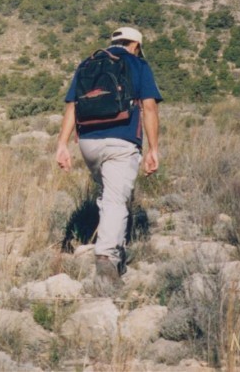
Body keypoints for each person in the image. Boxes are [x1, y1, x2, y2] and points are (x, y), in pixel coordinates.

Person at [55, 26, 162, 289]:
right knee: (116, 200)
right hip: (121, 140)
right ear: (136, 45)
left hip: (88, 143)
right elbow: (149, 107)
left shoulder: (87, 63)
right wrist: (153, 148)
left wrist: (62, 145)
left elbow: (72, 106)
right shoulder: (137, 64)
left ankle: (109, 239)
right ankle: (107, 260)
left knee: (106, 193)